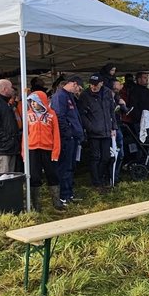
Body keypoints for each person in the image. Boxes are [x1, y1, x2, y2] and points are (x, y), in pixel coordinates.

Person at [51, 75, 85, 206]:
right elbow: (60, 117)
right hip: (67, 138)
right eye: (79, 88)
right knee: (65, 167)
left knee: (70, 166)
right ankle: (63, 195)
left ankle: (69, 193)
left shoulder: (69, 96)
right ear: (74, 84)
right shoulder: (60, 96)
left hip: (73, 137)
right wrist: (68, 133)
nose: (78, 91)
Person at [25, 90, 62, 210]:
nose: (33, 104)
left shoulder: (51, 114)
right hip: (32, 149)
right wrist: (24, 153)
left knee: (52, 174)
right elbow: (25, 136)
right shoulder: (28, 115)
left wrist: (56, 151)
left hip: (48, 149)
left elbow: (56, 134)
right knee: (34, 176)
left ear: (42, 101)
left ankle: (56, 202)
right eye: (31, 101)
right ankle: (36, 205)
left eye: (35, 101)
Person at [79, 73, 115, 190]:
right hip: (94, 133)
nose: (93, 87)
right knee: (95, 157)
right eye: (91, 84)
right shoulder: (85, 95)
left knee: (106, 157)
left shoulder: (107, 92)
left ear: (101, 83)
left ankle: (101, 178)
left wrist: (113, 127)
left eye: (95, 84)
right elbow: (82, 115)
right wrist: (90, 127)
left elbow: (111, 111)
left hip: (106, 130)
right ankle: (96, 182)